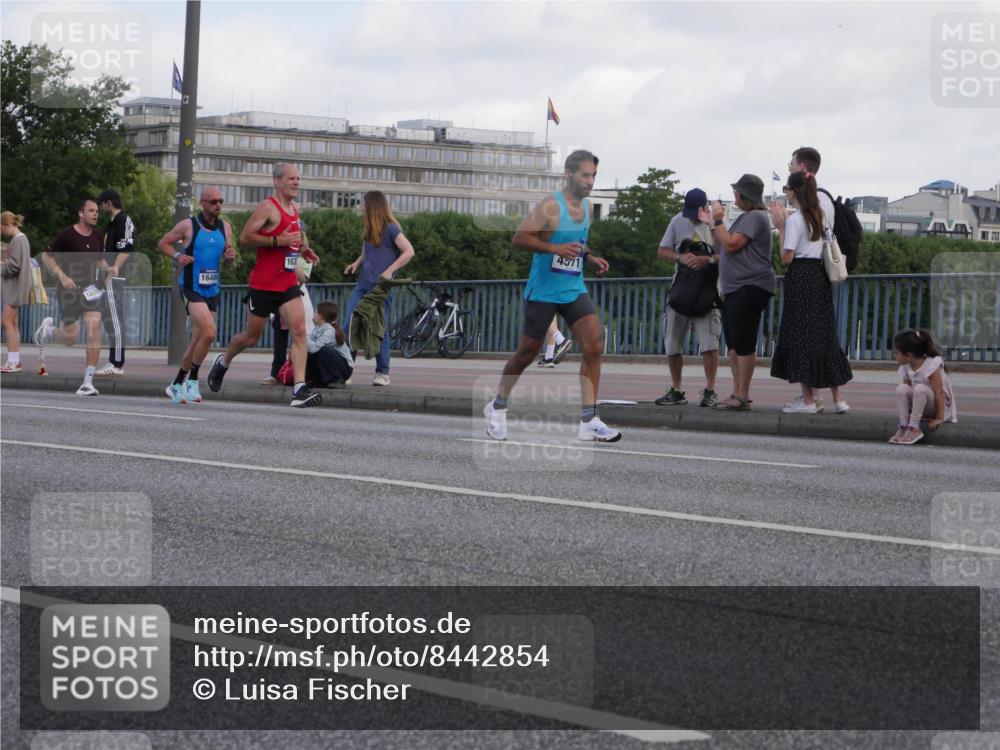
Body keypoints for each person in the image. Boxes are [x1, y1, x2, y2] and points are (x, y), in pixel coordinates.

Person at [484, 149, 621, 443]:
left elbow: (575, 244)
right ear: (568, 175)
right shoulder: (550, 206)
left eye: (594, 175)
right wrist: (555, 250)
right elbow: (520, 238)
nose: (590, 181)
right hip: (544, 291)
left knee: (594, 346)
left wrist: (590, 256)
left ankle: (589, 420)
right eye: (585, 175)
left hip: (573, 288)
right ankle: (497, 407)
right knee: (526, 354)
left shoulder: (584, 207)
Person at [206, 163, 321, 407]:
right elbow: (245, 237)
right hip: (264, 283)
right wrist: (278, 240)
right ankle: (223, 361)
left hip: (288, 281)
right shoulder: (268, 208)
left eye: (299, 178)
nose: (297, 182)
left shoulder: (294, 208)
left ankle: (299, 390)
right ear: (277, 181)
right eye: (291, 178)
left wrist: (303, 250)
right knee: (251, 337)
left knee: (300, 331)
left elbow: (291, 241)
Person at [768, 172, 852, 414]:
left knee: (801, 336)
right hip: (820, 275)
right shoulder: (821, 215)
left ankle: (807, 401)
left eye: (787, 190)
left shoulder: (796, 220)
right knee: (824, 333)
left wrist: (781, 228)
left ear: (794, 192)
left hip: (801, 276)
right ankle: (839, 399)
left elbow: (787, 257)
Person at [699, 174, 775, 411]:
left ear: (745, 195)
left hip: (751, 285)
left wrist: (719, 221)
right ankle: (737, 392)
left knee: (744, 342)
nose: (734, 196)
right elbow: (727, 246)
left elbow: (732, 244)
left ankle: (742, 394)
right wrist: (714, 223)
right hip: (736, 287)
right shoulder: (746, 217)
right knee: (733, 342)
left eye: (737, 193)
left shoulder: (756, 217)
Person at [157, 187, 236, 403]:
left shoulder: (225, 227)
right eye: (213, 202)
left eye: (220, 201)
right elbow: (162, 243)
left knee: (198, 340)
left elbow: (227, 256)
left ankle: (176, 385)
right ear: (202, 203)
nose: (218, 205)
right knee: (209, 333)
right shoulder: (188, 226)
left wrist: (230, 257)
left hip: (212, 288)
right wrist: (177, 256)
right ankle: (192, 380)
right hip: (191, 287)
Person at [654, 188, 720, 407]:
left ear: (704, 208)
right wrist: (680, 257)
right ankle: (677, 388)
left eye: (695, 212)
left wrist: (707, 260)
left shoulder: (715, 224)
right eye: (688, 211)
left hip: (707, 289)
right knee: (672, 341)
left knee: (709, 342)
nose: (691, 216)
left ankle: (710, 389)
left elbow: (727, 254)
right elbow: (662, 250)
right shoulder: (677, 220)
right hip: (681, 287)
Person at [342, 190, 415, 386]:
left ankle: (382, 373)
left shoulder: (391, 229)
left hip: (380, 290)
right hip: (362, 285)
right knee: (349, 326)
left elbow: (409, 251)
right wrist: (356, 264)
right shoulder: (369, 229)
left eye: (364, 204)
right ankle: (345, 371)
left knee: (378, 329)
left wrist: (390, 271)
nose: (361, 208)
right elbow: (367, 253)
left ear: (373, 206)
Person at [34, 199, 105, 395]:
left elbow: (100, 262)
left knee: (94, 331)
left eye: (97, 211)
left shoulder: (99, 236)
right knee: (71, 338)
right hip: (69, 290)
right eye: (91, 211)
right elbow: (46, 257)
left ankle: (87, 382)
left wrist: (110, 268)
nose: (95, 214)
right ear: (81, 214)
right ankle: (48, 332)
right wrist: (62, 276)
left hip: (91, 291)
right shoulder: (67, 234)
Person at [94, 189, 135, 377]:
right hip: (107, 276)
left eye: (101, 204)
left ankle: (117, 363)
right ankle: (114, 361)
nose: (100, 208)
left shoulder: (123, 220)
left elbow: (127, 247)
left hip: (113, 277)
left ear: (109, 203)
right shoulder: (112, 223)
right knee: (110, 320)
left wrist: (114, 268)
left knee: (115, 320)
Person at [891, 329, 957, 445]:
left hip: (937, 407)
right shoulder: (906, 365)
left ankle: (915, 428)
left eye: (896, 353)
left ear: (908, 355)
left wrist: (940, 418)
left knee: (920, 388)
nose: (894, 356)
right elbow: (906, 391)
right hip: (921, 404)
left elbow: (939, 392)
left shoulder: (931, 364)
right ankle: (904, 426)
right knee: (901, 388)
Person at [1, 211, 32, 373]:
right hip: (18, 288)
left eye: (1, 228)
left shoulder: (18, 240)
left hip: (14, 288)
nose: (1, 232)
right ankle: (15, 361)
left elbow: (14, 266)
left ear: (7, 225)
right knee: (13, 324)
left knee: (6, 322)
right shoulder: (20, 240)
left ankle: (13, 362)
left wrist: (1, 267)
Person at [306, 301, 354, 388]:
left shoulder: (329, 331)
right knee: (309, 352)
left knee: (322, 350)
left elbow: (314, 348)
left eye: (316, 312)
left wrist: (302, 335)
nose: (314, 314)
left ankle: (338, 380)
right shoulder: (317, 328)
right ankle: (314, 380)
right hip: (335, 365)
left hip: (345, 369)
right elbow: (309, 346)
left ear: (321, 315)